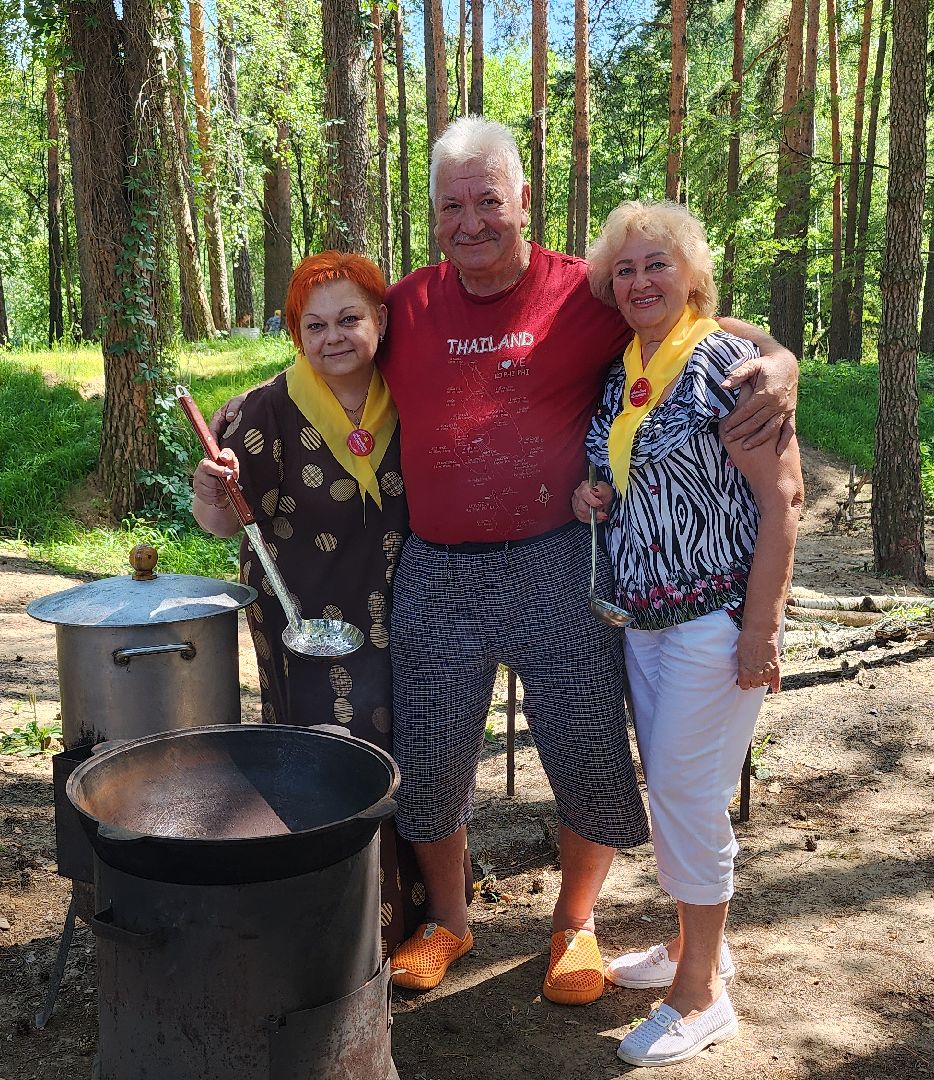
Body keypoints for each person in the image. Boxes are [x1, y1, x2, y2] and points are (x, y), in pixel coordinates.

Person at [371, 116, 800, 1007]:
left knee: (584, 747)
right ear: (434, 216)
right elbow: (320, 346)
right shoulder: (405, 305)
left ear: (524, 199)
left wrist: (777, 358)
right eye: (453, 205)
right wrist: (236, 433)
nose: (472, 221)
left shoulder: (587, 291)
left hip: (557, 563)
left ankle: (575, 924)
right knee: (434, 750)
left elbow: (693, 317)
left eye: (490, 200)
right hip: (439, 568)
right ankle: (447, 920)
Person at [571, 201, 803, 1067]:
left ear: (691, 275)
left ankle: (701, 995)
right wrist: (589, 497)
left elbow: (782, 502)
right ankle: (694, 944)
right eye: (624, 270)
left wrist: (761, 630)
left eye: (656, 264)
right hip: (646, 617)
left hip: (716, 617)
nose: (639, 282)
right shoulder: (626, 368)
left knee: (684, 790)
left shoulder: (729, 367)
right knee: (675, 788)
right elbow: (618, 472)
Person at [189, 251, 449, 952]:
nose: (333, 337)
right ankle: (334, 927)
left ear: (381, 321)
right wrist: (210, 491)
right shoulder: (263, 412)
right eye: (315, 324)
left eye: (349, 319)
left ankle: (417, 912)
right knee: (325, 755)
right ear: (295, 334)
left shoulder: (412, 393)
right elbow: (221, 521)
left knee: (409, 750)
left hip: (402, 610)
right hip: (304, 626)